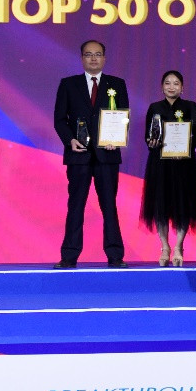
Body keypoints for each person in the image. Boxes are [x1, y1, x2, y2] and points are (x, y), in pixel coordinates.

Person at [52, 39, 129, 269]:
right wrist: (70, 140)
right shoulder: (69, 84)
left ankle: (115, 255)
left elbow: (122, 116)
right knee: (76, 205)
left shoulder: (117, 84)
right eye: (88, 54)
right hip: (79, 154)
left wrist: (117, 139)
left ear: (104, 58)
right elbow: (59, 119)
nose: (93, 58)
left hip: (107, 155)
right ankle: (69, 255)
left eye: (97, 54)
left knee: (109, 206)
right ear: (82, 58)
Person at [140, 70, 196, 266]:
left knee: (183, 205)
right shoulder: (155, 107)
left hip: (183, 164)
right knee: (160, 205)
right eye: (167, 83)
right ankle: (164, 247)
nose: (171, 86)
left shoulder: (190, 106)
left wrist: (185, 147)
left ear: (182, 87)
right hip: (160, 164)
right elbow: (148, 135)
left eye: (176, 83)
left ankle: (178, 246)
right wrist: (151, 141)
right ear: (162, 86)